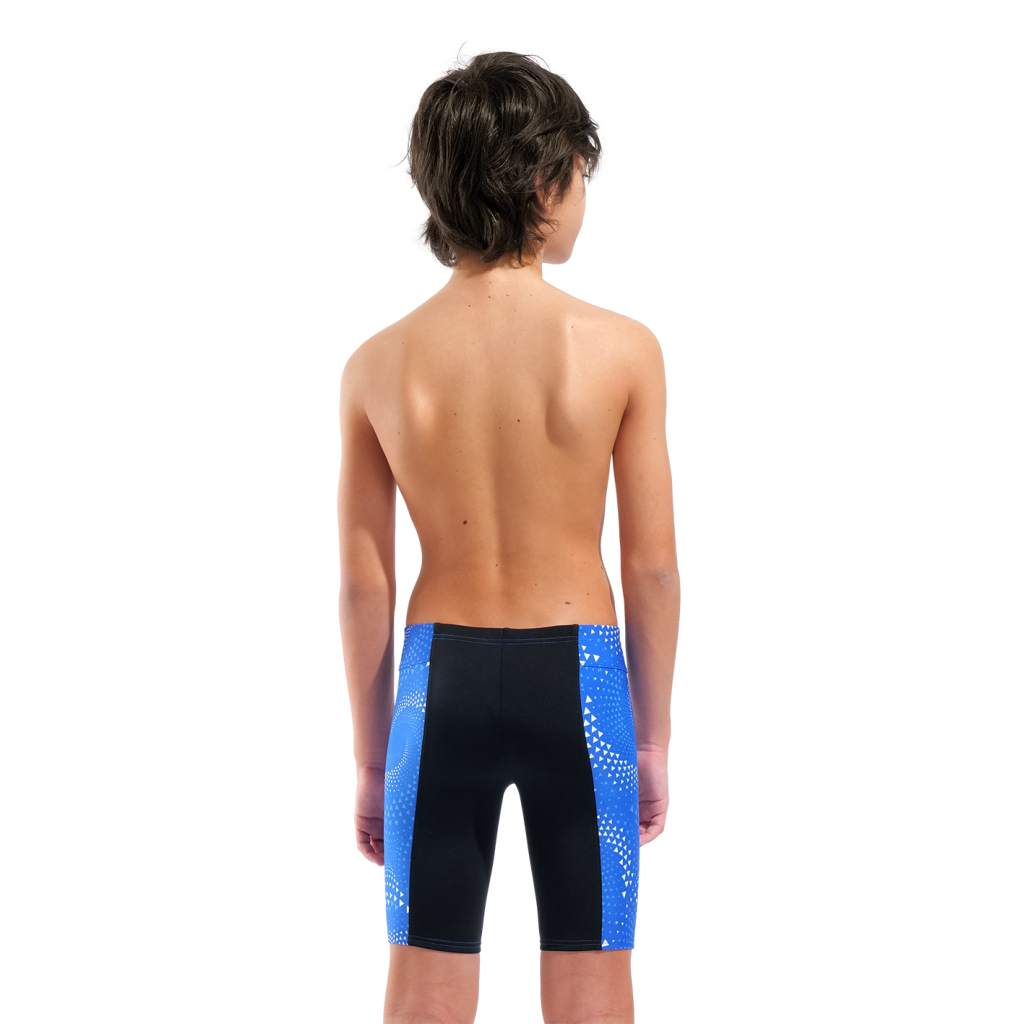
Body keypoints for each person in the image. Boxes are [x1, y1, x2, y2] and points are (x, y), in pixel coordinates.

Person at [337, 51, 679, 1024]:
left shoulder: (377, 365)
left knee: (424, 983)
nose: (583, 200)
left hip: (437, 686)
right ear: (542, 182)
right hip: (583, 682)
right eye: (580, 176)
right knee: (592, 980)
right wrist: (651, 737)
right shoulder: (621, 349)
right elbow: (652, 568)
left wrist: (372, 762)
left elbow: (363, 588)